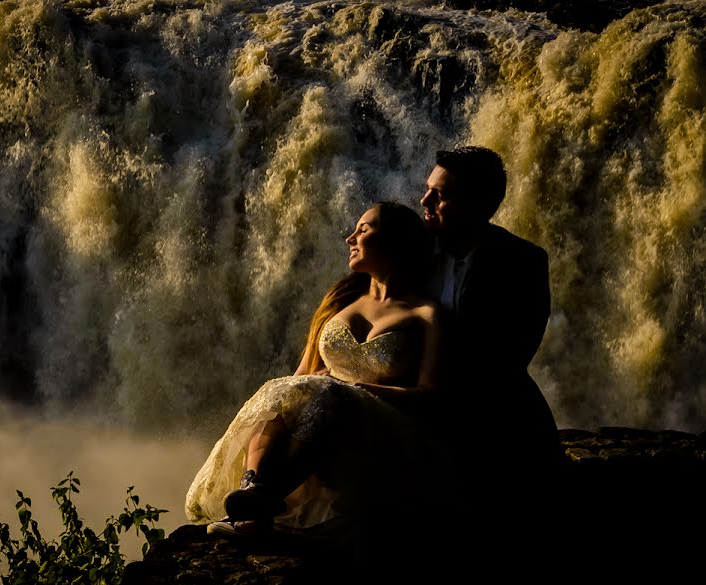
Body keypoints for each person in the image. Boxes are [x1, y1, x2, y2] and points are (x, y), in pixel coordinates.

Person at [185, 202, 445, 547]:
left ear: (396, 240)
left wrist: (361, 389)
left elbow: (432, 394)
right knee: (282, 393)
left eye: (363, 229)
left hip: (382, 433)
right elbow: (300, 377)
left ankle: (260, 508)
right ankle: (255, 489)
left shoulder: (427, 313)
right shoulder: (338, 304)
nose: (350, 237)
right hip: (319, 429)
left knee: (333, 394)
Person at [419, 146, 561, 544]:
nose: (424, 201)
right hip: (409, 402)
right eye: (427, 189)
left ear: (479, 206)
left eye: (439, 195)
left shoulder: (523, 262)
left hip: (494, 418)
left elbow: (510, 358)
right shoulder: (411, 247)